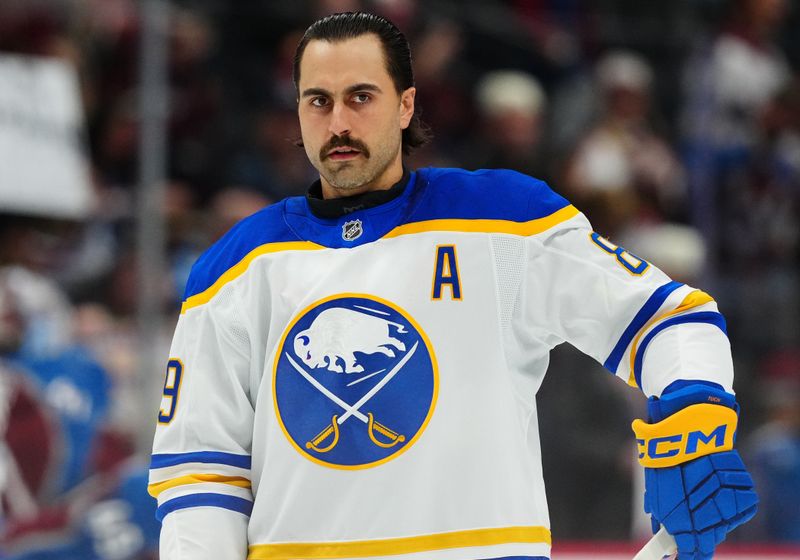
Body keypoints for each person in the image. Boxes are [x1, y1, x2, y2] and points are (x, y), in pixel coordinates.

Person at [148, 11, 757, 560]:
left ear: (405, 104)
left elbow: (671, 319)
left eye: (361, 97)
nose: (339, 123)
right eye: (318, 102)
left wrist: (694, 405)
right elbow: (201, 479)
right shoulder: (235, 268)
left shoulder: (503, 222)